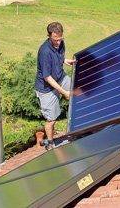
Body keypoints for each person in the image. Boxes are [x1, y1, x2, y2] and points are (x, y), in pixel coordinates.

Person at [35, 22, 75, 150]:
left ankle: (80, 124)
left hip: (60, 77)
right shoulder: (44, 51)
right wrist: (63, 92)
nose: (58, 42)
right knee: (51, 119)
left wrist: (65, 60)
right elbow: (47, 78)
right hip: (47, 88)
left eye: (60, 39)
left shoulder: (61, 43)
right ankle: (50, 143)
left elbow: (59, 56)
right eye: (55, 40)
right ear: (49, 36)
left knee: (78, 91)